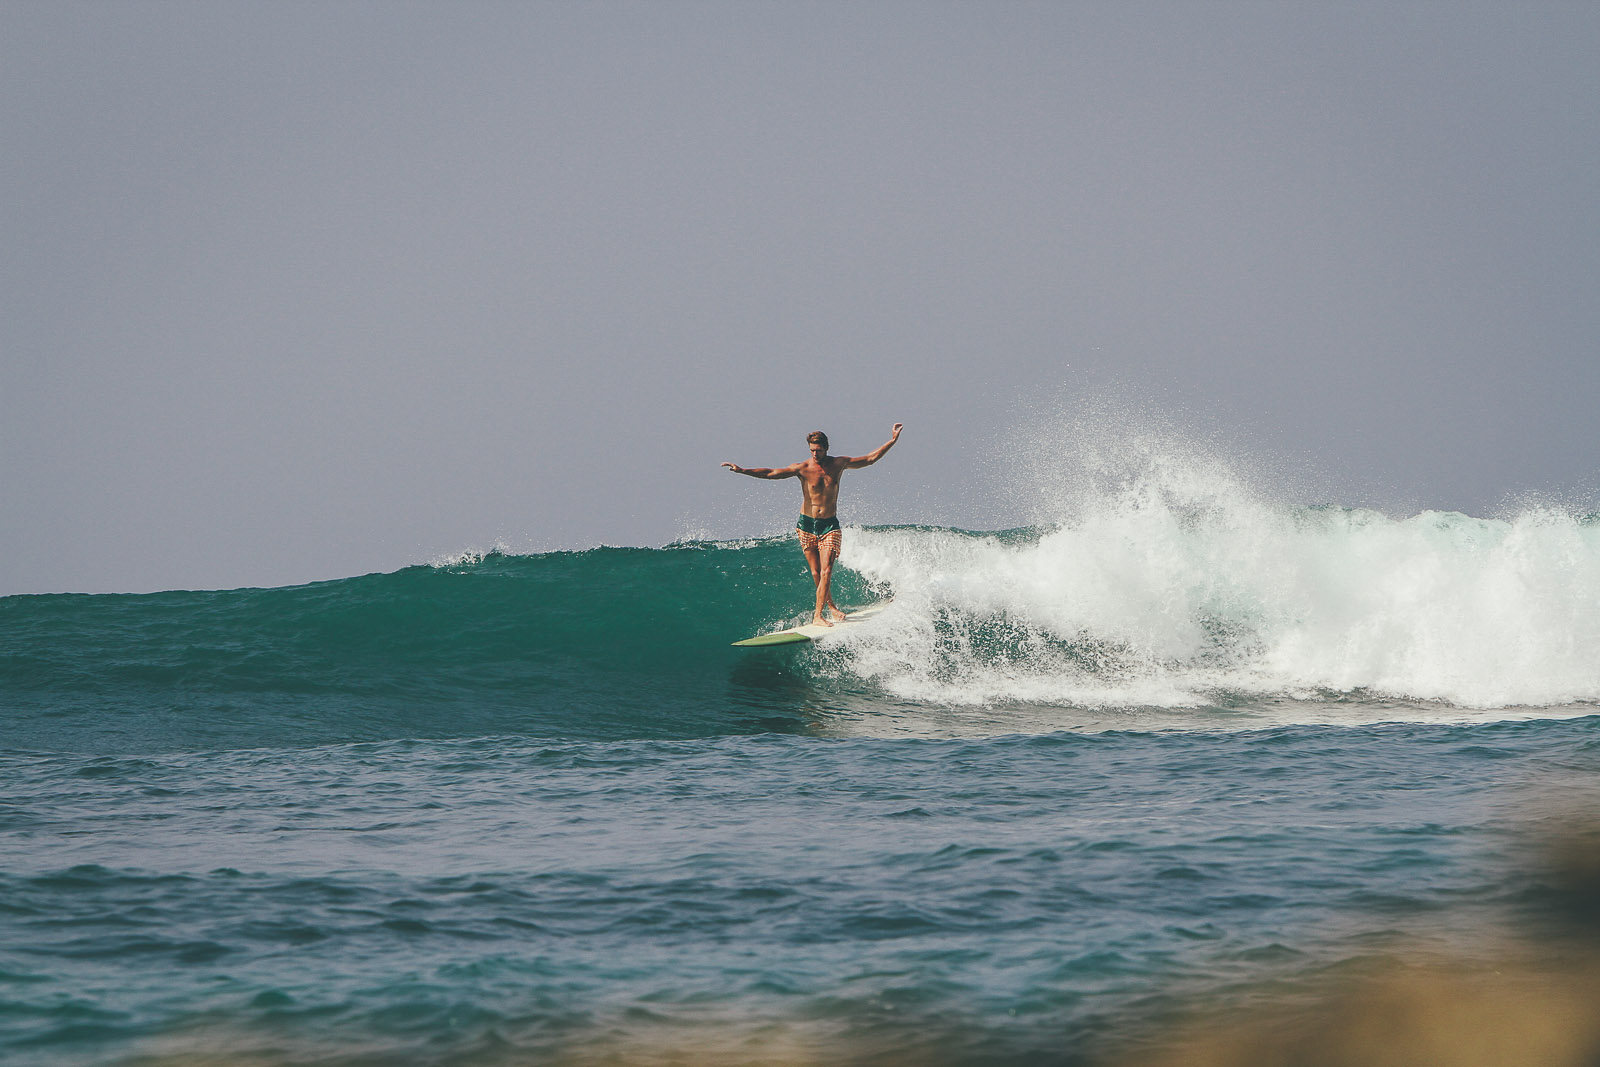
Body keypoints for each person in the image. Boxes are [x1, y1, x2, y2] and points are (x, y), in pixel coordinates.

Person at [723, 424, 903, 627]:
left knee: (826, 572)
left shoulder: (839, 464)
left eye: (819, 450)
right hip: (806, 524)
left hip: (829, 526)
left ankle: (818, 616)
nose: (815, 454)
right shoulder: (803, 468)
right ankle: (831, 607)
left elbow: (870, 459)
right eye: (812, 450)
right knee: (816, 573)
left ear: (826, 448)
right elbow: (772, 472)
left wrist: (892, 440)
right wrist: (743, 470)